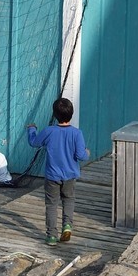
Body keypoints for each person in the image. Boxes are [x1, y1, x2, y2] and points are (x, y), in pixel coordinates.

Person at [26, 97, 90, 246]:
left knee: (51, 204)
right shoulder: (77, 133)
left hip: (52, 176)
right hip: (70, 175)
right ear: (71, 114)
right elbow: (81, 156)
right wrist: (87, 152)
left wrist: (31, 129)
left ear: (55, 115)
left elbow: (34, 142)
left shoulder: (49, 131)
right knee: (68, 199)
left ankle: (51, 236)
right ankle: (67, 226)